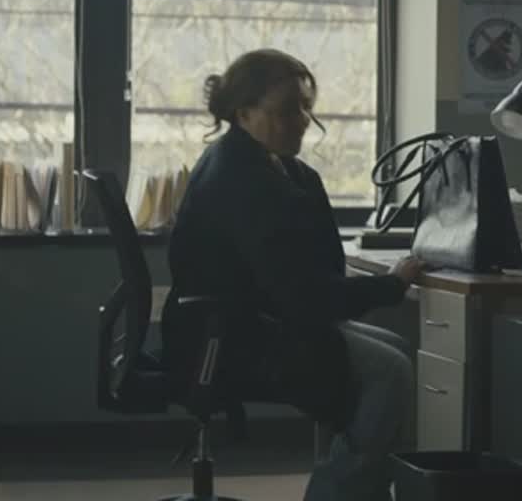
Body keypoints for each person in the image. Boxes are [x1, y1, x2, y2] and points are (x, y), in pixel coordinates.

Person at [164, 48, 422, 501]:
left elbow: (311, 275)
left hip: (242, 323)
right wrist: (392, 284)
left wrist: (305, 184)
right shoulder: (243, 180)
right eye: (287, 110)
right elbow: (304, 297)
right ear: (243, 113)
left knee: (395, 350)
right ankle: (338, 493)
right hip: (233, 337)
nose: (302, 121)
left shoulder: (263, 164)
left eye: (306, 107)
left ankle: (357, 488)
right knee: (391, 371)